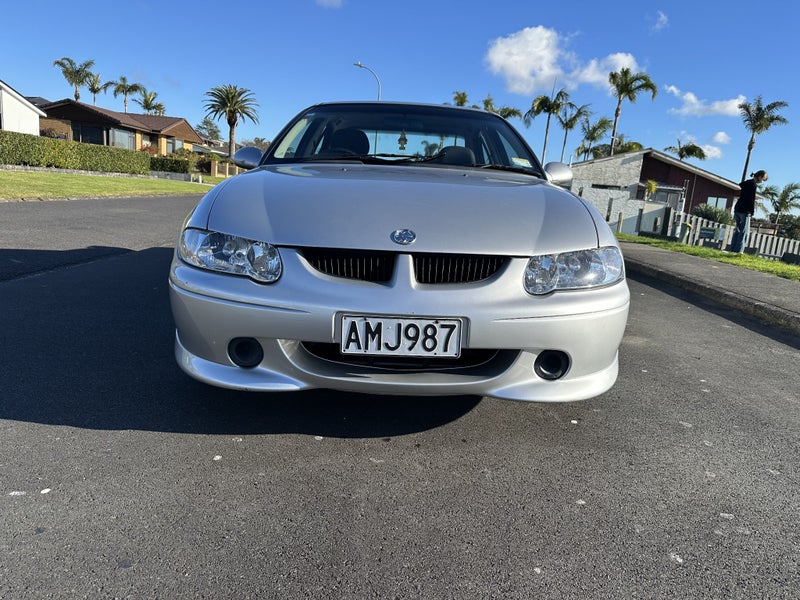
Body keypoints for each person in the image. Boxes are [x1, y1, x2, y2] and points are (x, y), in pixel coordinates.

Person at [731, 170, 767, 253]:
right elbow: (751, 200)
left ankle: (733, 248)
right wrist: (751, 212)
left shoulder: (746, 183)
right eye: (762, 179)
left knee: (738, 230)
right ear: (759, 177)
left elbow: (741, 185)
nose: (762, 182)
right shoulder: (753, 185)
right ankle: (739, 251)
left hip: (738, 208)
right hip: (745, 210)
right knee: (744, 232)